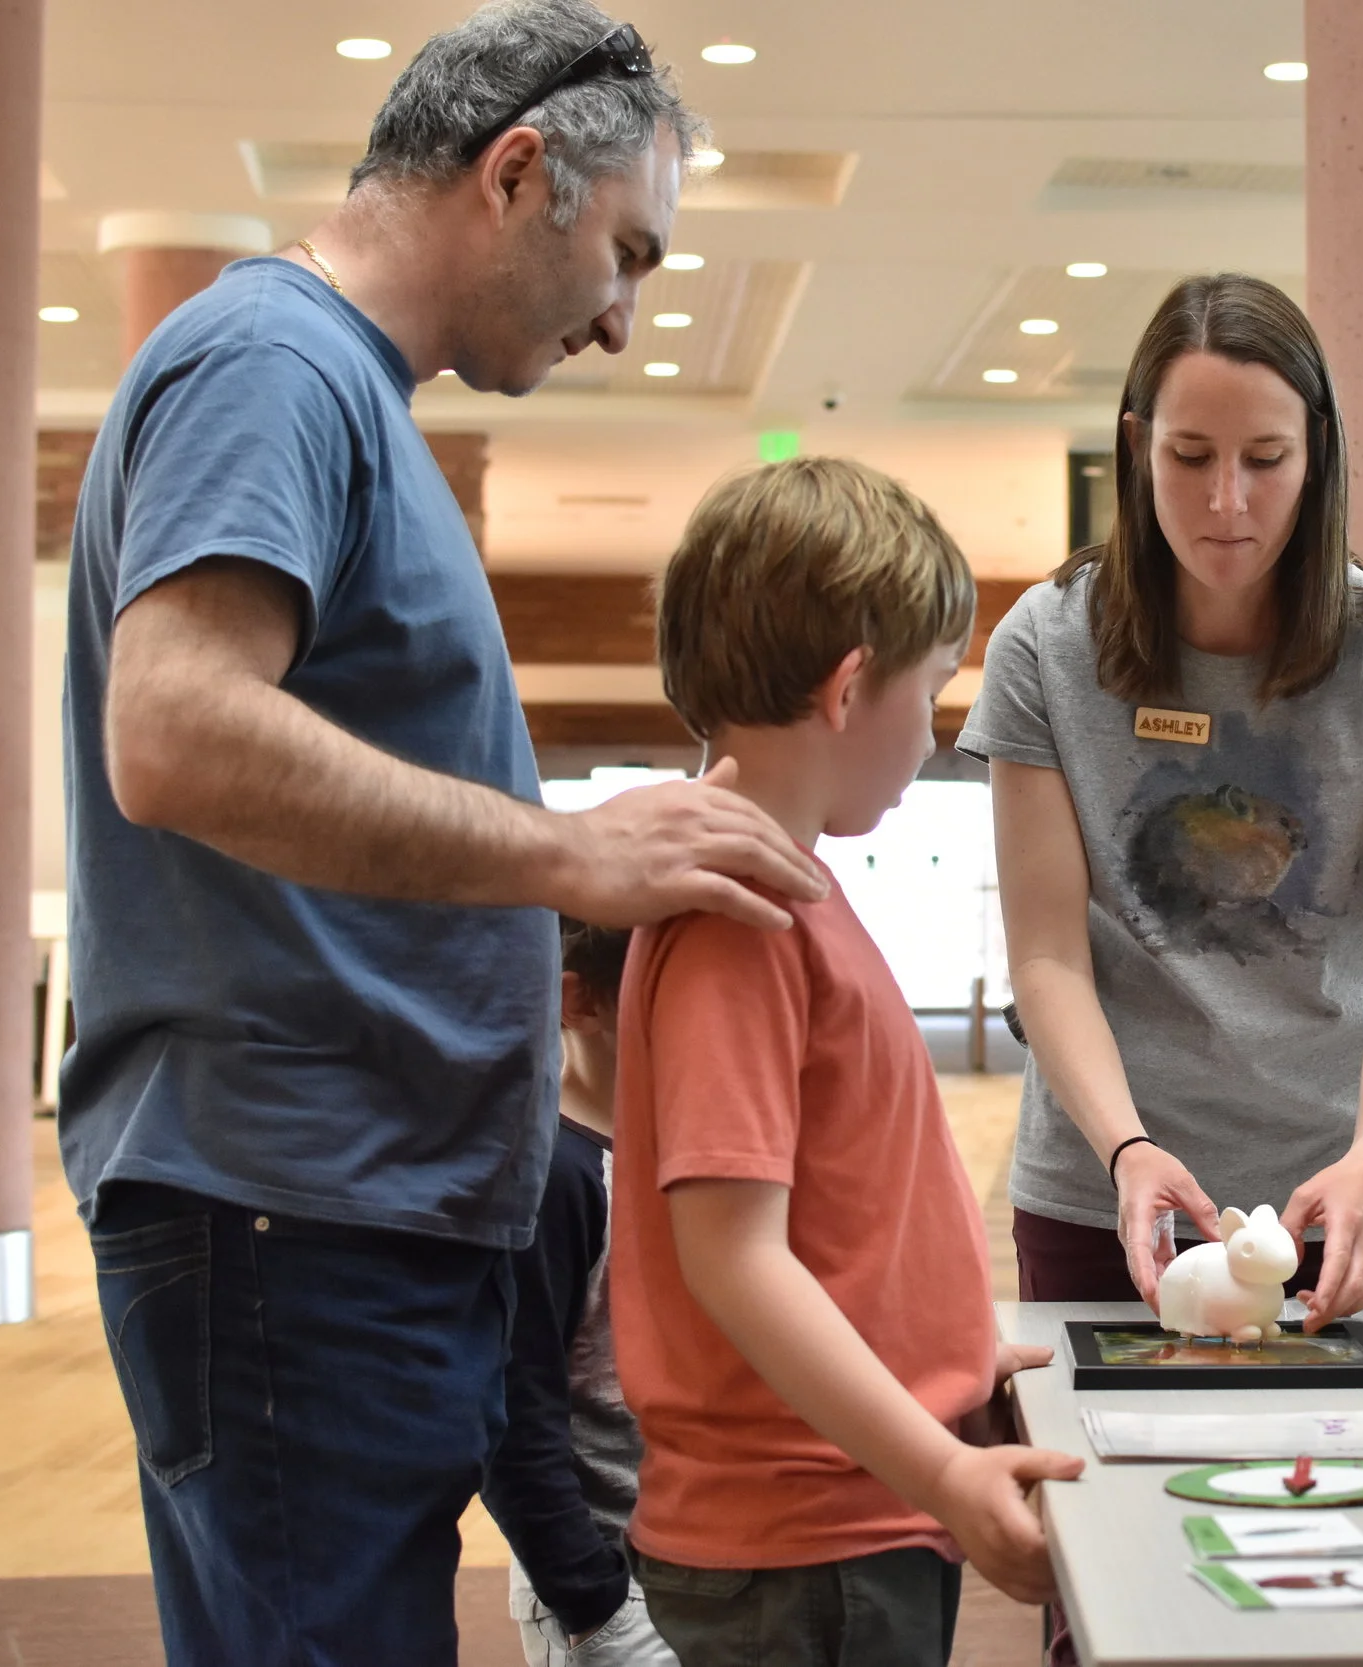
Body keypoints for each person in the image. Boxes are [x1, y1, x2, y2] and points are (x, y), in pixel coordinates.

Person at [61, 6, 826, 1662]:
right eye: (627, 254)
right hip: (295, 1216)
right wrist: (569, 855)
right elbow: (173, 729)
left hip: (347, 1219)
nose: (622, 319)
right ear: (518, 172)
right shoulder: (272, 364)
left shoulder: (340, 389)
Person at [610, 457, 1085, 1666]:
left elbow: (830, 1205)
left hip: (838, 1521)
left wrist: (940, 1350)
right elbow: (735, 1256)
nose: (932, 734)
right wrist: (941, 1464)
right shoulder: (740, 913)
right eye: (931, 691)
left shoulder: (784, 887)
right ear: (849, 686)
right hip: (806, 1541)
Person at [959, 273, 1363, 1331]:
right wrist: (1126, 1148)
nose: (1227, 502)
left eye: (1266, 459)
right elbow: (1047, 953)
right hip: (1105, 1192)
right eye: (1190, 457)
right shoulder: (1043, 646)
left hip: (1338, 1187)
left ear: (1318, 452)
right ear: (1136, 445)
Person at [482, 919, 677, 1667]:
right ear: (579, 1002)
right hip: (613, 1590)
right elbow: (509, 1413)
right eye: (674, 988)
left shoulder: (685, 1148)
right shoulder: (552, 1178)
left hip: (700, 1567)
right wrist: (594, 1601)